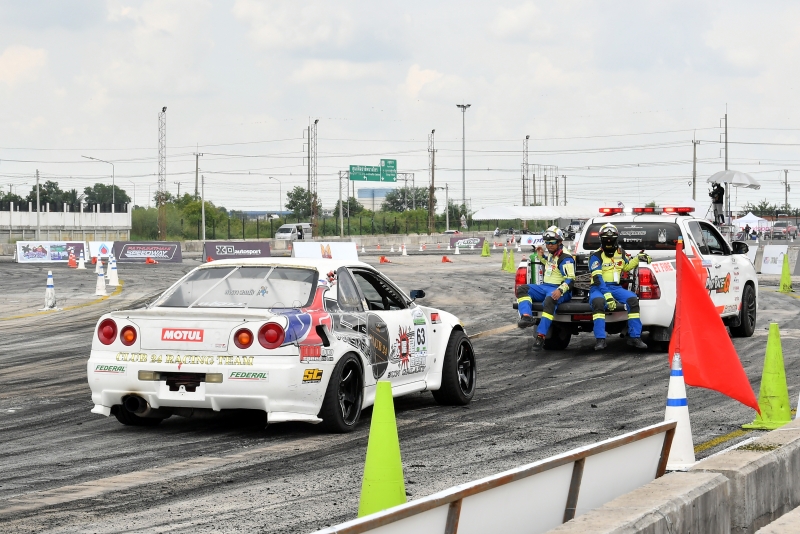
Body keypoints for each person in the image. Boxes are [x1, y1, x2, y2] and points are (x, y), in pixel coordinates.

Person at [588, 223, 651, 351]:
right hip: (599, 287)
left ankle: (635, 337)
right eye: (606, 239)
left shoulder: (621, 253)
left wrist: (638, 259)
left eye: (611, 239)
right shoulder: (595, 256)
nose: (609, 241)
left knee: (633, 300)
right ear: (601, 239)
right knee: (598, 302)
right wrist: (608, 296)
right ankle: (600, 340)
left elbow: (626, 267)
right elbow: (598, 279)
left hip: (615, 288)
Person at [516, 226, 575, 351]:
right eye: (547, 242)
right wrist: (541, 256)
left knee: (549, 301)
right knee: (522, 289)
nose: (549, 245)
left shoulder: (566, 258)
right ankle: (526, 316)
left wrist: (560, 291)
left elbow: (570, 280)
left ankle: (541, 335)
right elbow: (551, 267)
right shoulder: (552, 255)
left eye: (552, 242)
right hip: (545, 287)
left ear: (560, 242)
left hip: (560, 289)